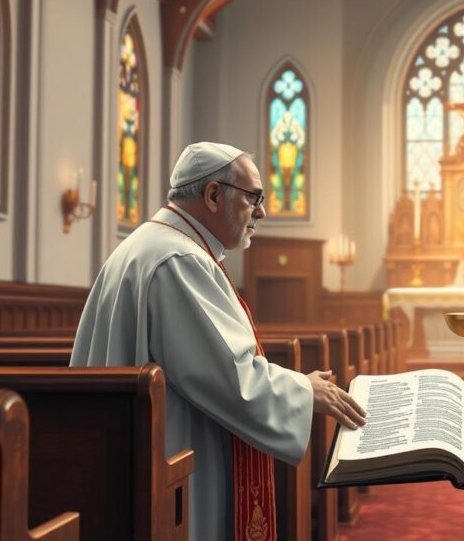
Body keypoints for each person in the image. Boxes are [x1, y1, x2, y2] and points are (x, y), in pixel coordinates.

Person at [71, 142, 367, 540]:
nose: (261, 212)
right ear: (213, 195)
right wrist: (304, 389)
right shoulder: (179, 260)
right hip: (173, 459)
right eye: (253, 198)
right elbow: (228, 377)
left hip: (137, 449)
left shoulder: (152, 245)